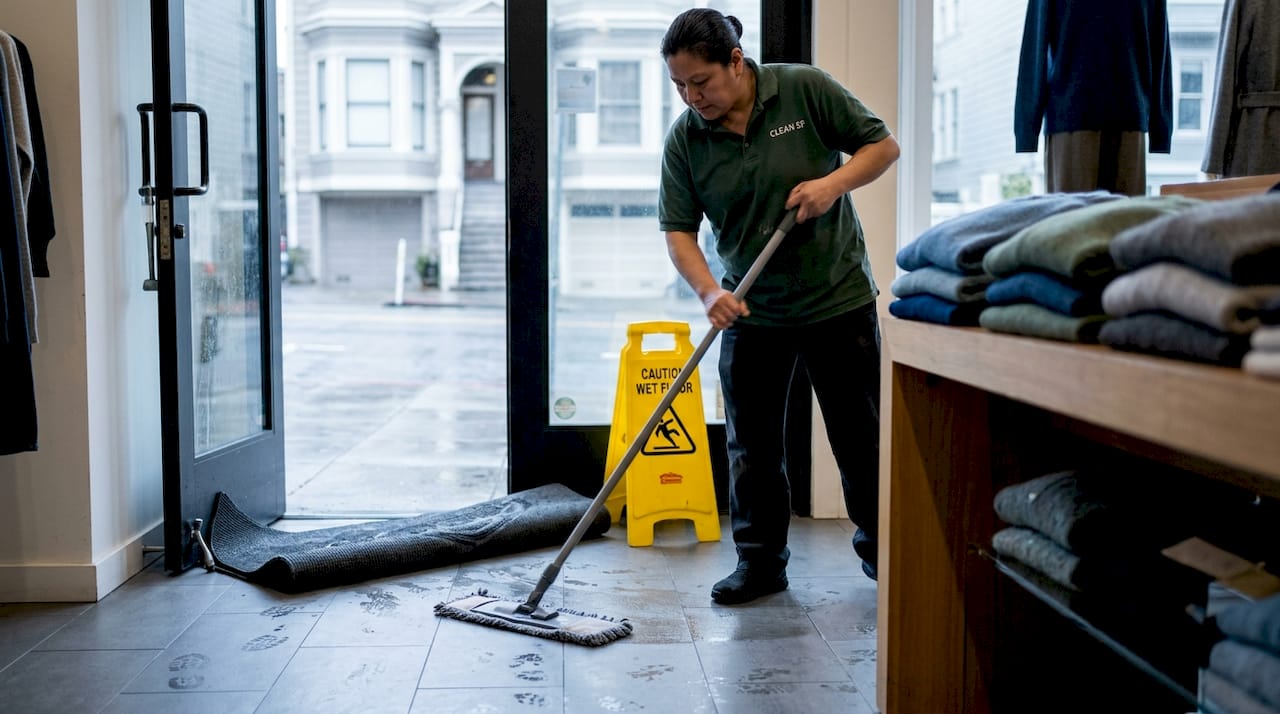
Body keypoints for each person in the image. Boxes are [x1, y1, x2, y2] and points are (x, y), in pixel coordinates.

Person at [657, 8, 900, 605]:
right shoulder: (687, 140)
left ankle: (886, 557)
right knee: (753, 445)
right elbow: (679, 230)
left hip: (836, 298)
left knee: (859, 435)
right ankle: (760, 564)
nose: (692, 97)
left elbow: (882, 147)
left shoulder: (803, 89)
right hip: (750, 305)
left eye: (701, 82)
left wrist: (831, 185)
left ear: (735, 63)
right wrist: (710, 292)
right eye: (680, 86)